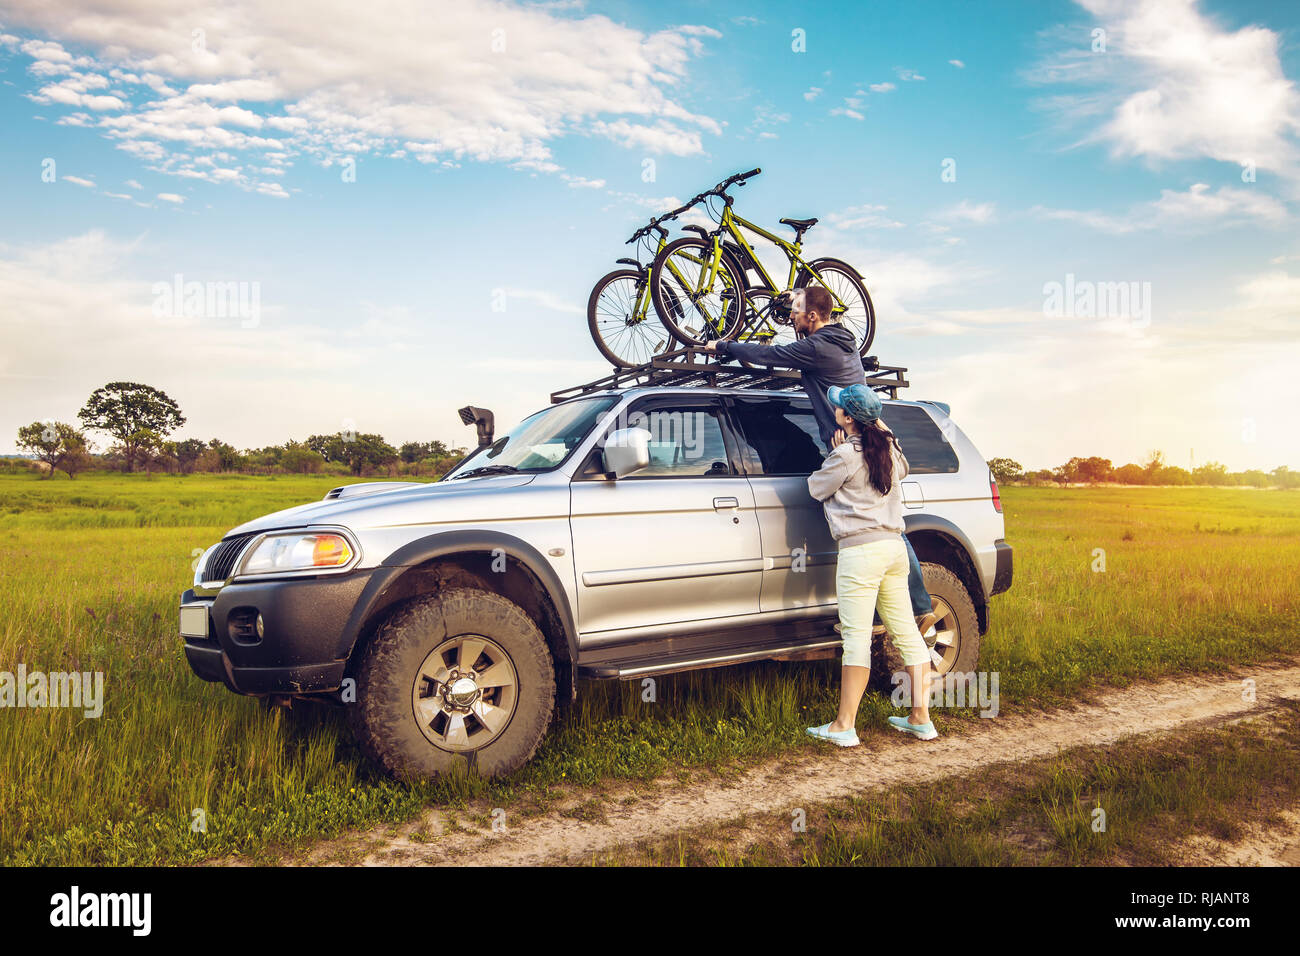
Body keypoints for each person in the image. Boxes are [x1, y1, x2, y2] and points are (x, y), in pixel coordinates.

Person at [702, 287, 940, 644]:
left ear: (813, 316)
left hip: (855, 442)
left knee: (880, 531)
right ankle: (911, 611)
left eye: (796, 311)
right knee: (888, 529)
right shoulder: (842, 342)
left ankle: (891, 616)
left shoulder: (817, 348)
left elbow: (772, 354)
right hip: (873, 436)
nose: (791, 317)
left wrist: (724, 346)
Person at [804, 384, 937, 745]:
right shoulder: (890, 449)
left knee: (856, 638)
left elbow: (815, 488)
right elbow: (902, 469)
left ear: (847, 418)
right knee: (907, 632)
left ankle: (844, 726)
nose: (836, 411)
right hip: (894, 549)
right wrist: (878, 430)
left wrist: (835, 453)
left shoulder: (844, 455)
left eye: (840, 408)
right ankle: (920, 718)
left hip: (861, 553)